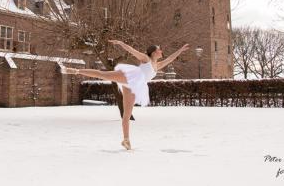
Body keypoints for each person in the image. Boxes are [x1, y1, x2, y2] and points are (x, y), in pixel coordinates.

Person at [61, 40, 189, 150]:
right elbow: (133, 50)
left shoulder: (158, 65)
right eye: (159, 50)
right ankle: (76, 70)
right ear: (154, 52)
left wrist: (180, 50)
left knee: (127, 114)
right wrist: (121, 43)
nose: (161, 51)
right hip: (130, 77)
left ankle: (126, 140)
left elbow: (170, 58)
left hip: (133, 86)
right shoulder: (146, 59)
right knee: (103, 74)